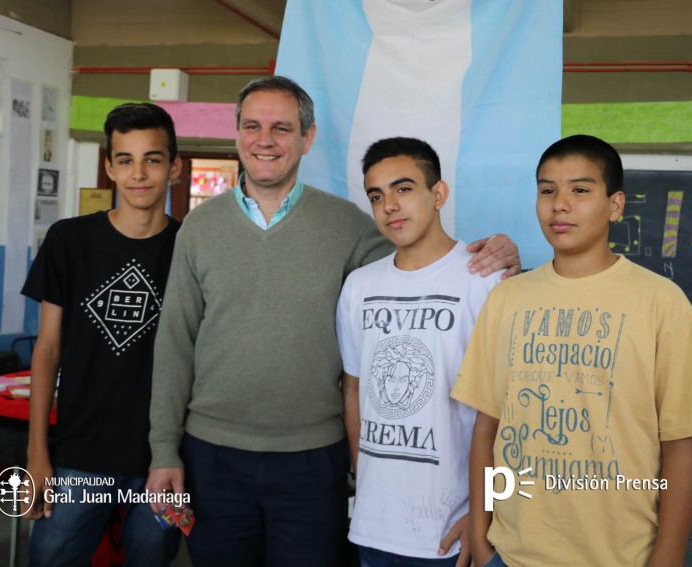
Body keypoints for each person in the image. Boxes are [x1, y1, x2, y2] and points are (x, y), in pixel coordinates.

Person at [146, 75, 520, 567]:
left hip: (313, 460)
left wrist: (508, 258)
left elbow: (426, 261)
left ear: (307, 138)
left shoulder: (350, 225)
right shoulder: (200, 227)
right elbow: (174, 343)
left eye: (282, 128)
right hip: (212, 454)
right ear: (236, 134)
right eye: (252, 126)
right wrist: (164, 451)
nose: (265, 140)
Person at [452, 134, 692, 567]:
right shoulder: (508, 299)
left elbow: (682, 445)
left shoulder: (660, 302)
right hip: (512, 553)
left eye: (580, 190)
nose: (560, 204)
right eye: (547, 190)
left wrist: (668, 558)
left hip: (619, 556)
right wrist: (485, 536)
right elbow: (488, 427)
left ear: (615, 205)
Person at [21, 102, 182, 566]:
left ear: (173, 167)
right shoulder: (69, 240)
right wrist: (37, 454)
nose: (139, 174)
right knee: (50, 559)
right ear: (110, 167)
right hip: (79, 454)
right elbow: (47, 350)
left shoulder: (191, 250)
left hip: (162, 458)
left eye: (152, 159)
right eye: (125, 160)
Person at [337, 137, 502, 567]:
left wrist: (485, 513)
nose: (389, 205)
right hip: (373, 525)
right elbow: (353, 389)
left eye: (403, 188)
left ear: (439, 194)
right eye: (377, 195)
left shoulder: (483, 280)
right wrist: (366, 478)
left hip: (452, 530)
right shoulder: (360, 286)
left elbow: (507, 413)